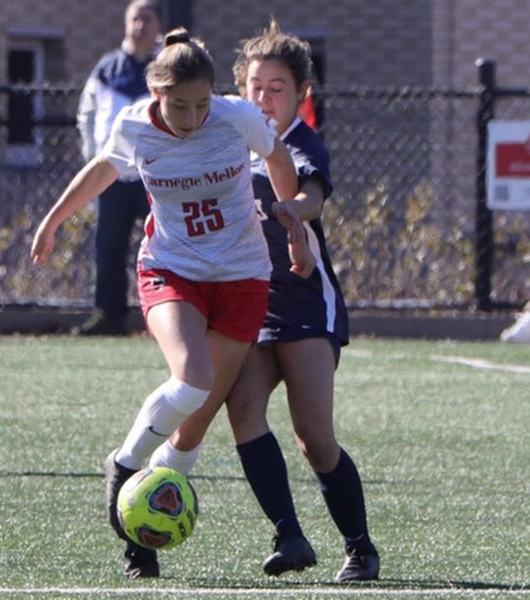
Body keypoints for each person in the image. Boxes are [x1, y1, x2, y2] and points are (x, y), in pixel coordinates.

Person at [32, 28, 312, 579]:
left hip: (243, 275)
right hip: (172, 268)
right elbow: (105, 168)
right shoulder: (135, 124)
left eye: (201, 104)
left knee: (193, 425)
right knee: (191, 380)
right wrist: (54, 218)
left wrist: (295, 226)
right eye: (179, 106)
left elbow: (279, 159)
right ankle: (125, 464)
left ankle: (142, 538)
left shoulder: (236, 118)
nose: (191, 117)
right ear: (156, 95)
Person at [148, 19, 381, 583]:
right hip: (245, 300)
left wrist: (293, 211)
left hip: (304, 304)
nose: (263, 97)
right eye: (254, 86)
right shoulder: (225, 132)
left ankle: (360, 547)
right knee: (243, 411)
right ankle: (290, 536)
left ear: (301, 93)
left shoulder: (301, 141)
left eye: (276, 87)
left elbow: (310, 193)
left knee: (314, 439)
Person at [73, 0, 162, 336]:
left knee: (162, 249)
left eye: (147, 19)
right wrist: (93, 157)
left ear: (157, 25)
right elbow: (87, 115)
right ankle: (108, 315)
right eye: (135, 19)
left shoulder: (162, 68)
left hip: (154, 178)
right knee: (108, 247)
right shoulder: (107, 68)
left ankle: (167, 317)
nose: (140, 26)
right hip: (112, 177)